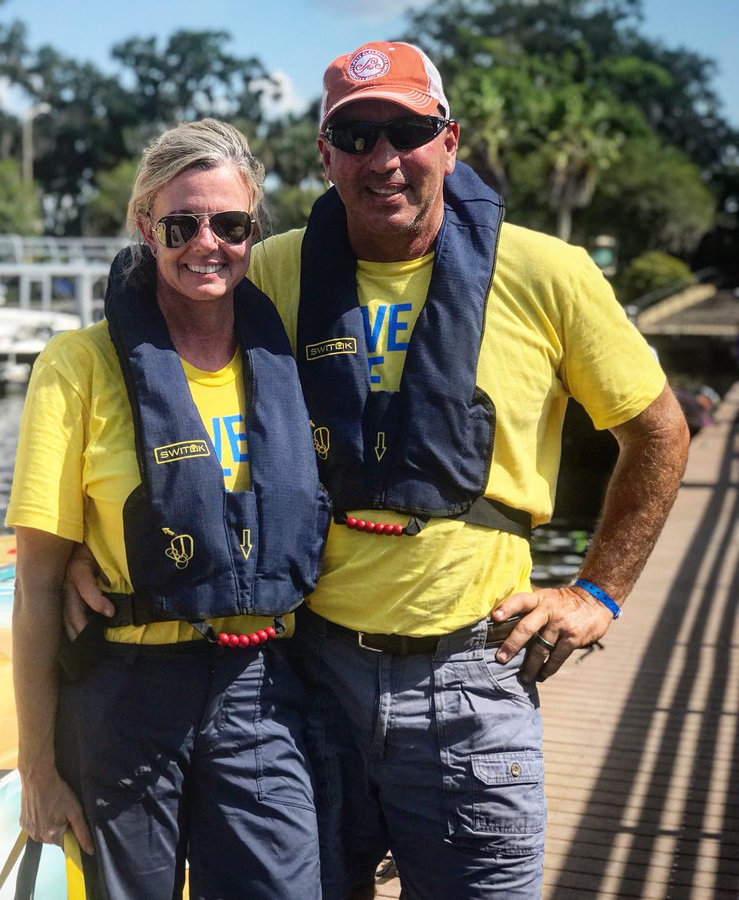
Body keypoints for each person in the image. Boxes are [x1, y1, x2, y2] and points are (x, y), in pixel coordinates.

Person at [67, 43, 691, 899]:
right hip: (310, 680)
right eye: (356, 135)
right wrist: (83, 543)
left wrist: (597, 591)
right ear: (325, 155)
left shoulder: (550, 273)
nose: (384, 158)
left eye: (408, 130)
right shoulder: (274, 266)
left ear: (450, 140)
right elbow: (152, 362)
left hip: (470, 680)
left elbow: (658, 432)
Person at [7, 118, 331, 899]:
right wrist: (38, 768)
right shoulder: (77, 366)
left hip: (258, 686)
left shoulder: (282, 355)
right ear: (146, 224)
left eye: (230, 225)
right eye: (181, 224)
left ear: (254, 229)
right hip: (125, 691)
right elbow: (36, 586)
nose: (205, 244)